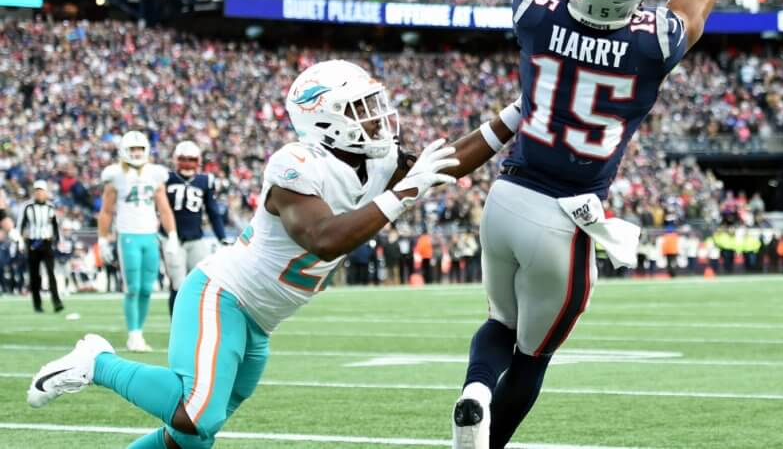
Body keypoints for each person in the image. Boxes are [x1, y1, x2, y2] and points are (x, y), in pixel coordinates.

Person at [27, 59, 522, 449]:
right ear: (325, 120)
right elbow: (324, 237)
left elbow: (448, 165)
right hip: (223, 296)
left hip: (260, 321)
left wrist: (521, 113)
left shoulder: (380, 160)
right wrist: (404, 194)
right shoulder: (294, 164)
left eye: (374, 104)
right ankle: (98, 361)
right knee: (196, 413)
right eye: (361, 108)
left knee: (191, 438)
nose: (377, 117)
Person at [452, 0, 727, 448]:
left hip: (506, 195)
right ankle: (489, 442)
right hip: (567, 216)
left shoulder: (538, 12)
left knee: (498, 319)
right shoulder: (653, 42)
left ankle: (472, 389)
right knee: (534, 353)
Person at [97, 131, 181, 352]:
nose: (136, 153)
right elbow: (106, 211)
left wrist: (172, 235)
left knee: (146, 288)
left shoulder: (155, 174)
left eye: (140, 149)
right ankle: (133, 334)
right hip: (128, 235)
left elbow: (164, 208)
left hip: (150, 235)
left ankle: (139, 333)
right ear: (124, 151)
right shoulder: (115, 175)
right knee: (132, 287)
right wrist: (103, 239)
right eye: (132, 149)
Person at [164, 140, 229, 316]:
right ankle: (176, 326)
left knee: (200, 283)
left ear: (198, 161)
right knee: (177, 284)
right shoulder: (166, 179)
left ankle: (195, 323)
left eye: (191, 159)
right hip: (173, 239)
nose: (187, 164)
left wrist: (221, 236)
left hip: (196, 238)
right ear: (176, 160)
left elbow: (213, 211)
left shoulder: (204, 181)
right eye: (183, 159)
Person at [19, 180, 64, 313]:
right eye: (37, 190)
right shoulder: (27, 208)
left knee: (51, 273)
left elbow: (56, 227)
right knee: (34, 275)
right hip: (32, 243)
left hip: (46, 242)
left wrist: (58, 241)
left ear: (46, 192)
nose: (39, 193)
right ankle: (37, 304)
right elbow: (21, 226)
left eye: (41, 190)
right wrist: (21, 242)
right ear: (34, 192)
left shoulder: (51, 208)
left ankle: (57, 302)